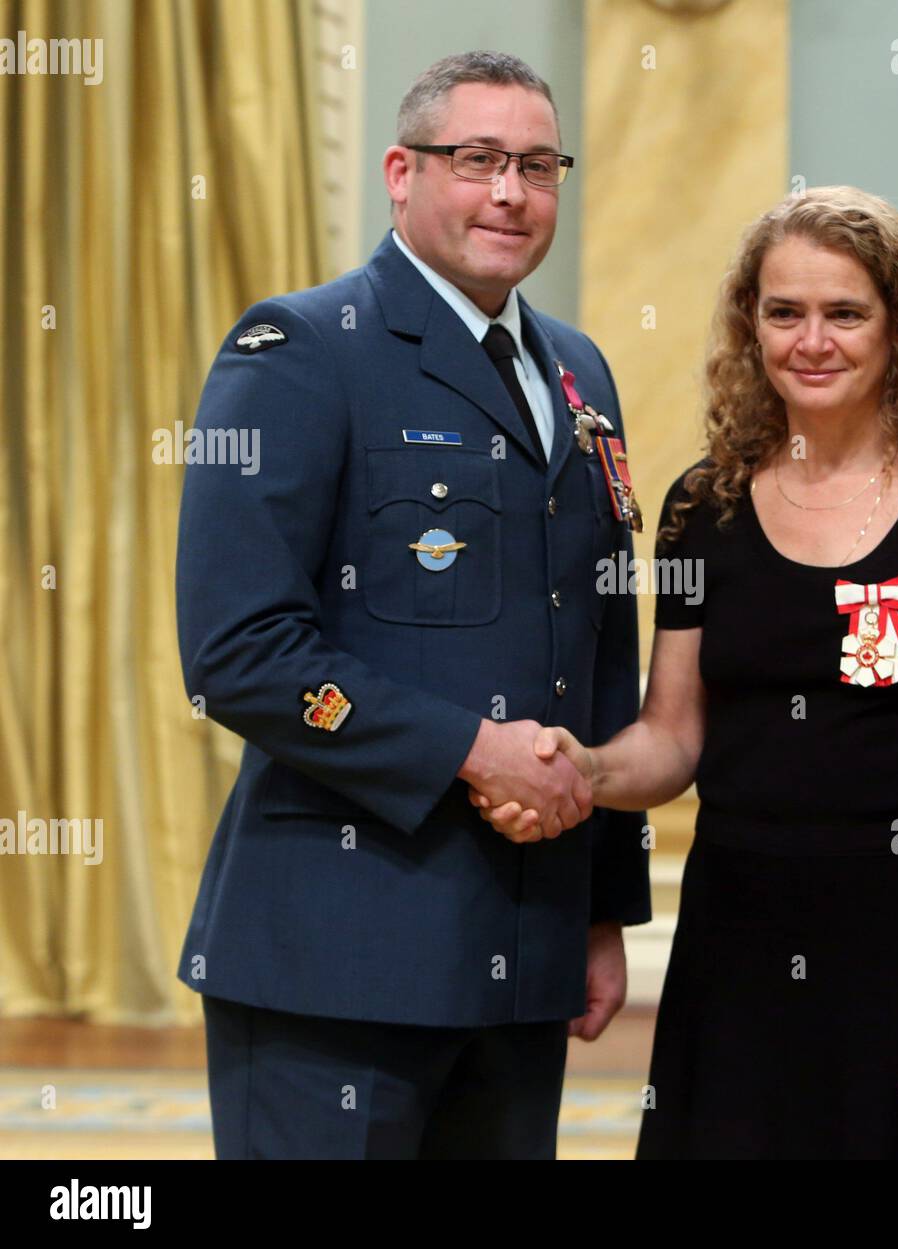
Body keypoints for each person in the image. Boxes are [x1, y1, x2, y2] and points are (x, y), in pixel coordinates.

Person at [473, 186, 898, 1159]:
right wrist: (583, 766)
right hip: (736, 939)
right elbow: (672, 735)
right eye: (783, 312)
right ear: (752, 327)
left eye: (845, 313)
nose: (811, 340)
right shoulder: (701, 505)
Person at [174, 51, 649, 1160]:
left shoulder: (578, 373)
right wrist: (472, 750)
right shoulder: (298, 349)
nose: (509, 193)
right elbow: (240, 652)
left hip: (522, 950)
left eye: (537, 165)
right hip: (337, 948)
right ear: (400, 171)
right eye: (475, 159)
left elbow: (602, 653)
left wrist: (600, 908)